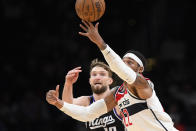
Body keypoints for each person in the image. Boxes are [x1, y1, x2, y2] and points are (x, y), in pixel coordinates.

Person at [46, 20, 179, 131]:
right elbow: (87, 114)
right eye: (123, 62)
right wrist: (58, 103)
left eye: (130, 62)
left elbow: (120, 69)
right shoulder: (117, 94)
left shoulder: (143, 84)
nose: (125, 64)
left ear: (140, 69)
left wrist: (100, 43)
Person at [47, 59, 126, 131]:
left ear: (110, 81)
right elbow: (68, 106)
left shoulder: (118, 100)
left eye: (102, 74)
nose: (97, 77)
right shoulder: (86, 101)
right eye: (94, 75)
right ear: (90, 81)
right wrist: (68, 82)